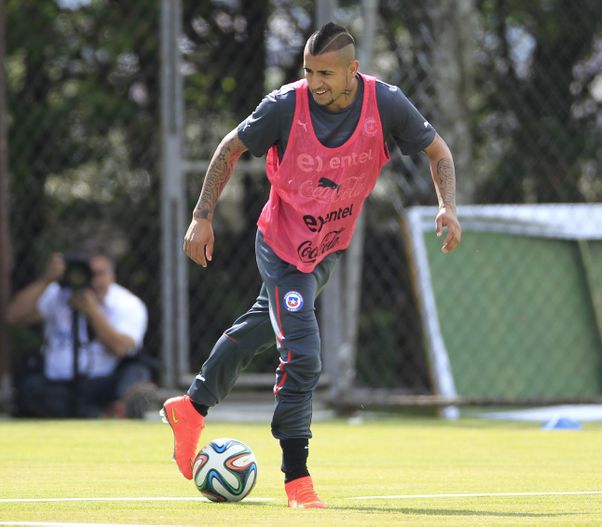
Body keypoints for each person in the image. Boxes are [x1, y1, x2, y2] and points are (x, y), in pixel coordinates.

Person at [161, 21, 461, 508]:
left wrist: (447, 205)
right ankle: (297, 481)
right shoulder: (285, 105)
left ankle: (190, 408)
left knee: (262, 327)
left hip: (328, 250)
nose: (315, 81)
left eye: (326, 72)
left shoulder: (386, 104)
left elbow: (438, 151)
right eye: (309, 70)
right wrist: (201, 216)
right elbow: (229, 148)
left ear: (353, 71)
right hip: (281, 249)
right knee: (303, 354)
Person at [6, 250, 154, 418]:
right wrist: (47, 279)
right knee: (32, 388)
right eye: (89, 274)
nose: (94, 281)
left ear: (112, 275)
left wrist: (91, 311)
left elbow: (121, 348)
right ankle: (104, 415)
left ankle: (122, 406)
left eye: (100, 274)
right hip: (59, 385)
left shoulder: (127, 303)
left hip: (104, 382)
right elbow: (13, 317)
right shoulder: (58, 293)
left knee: (137, 370)